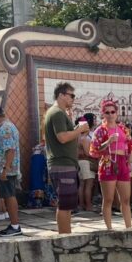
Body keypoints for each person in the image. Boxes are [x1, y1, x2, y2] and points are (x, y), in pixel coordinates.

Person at [44, 82, 88, 234]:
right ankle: (64, 239)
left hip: (64, 164)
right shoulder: (57, 113)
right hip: (62, 164)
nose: (73, 99)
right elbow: (62, 137)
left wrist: (76, 130)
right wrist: (80, 129)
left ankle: (65, 236)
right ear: (61, 95)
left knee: (67, 205)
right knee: (65, 206)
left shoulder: (58, 113)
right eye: (71, 95)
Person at [90, 99, 132, 230]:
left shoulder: (122, 128)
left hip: (123, 162)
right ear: (103, 114)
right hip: (108, 162)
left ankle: (129, 227)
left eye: (112, 112)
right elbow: (94, 150)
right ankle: (109, 229)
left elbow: (131, 144)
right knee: (109, 199)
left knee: (126, 199)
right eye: (107, 112)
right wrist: (108, 141)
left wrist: (130, 158)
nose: (110, 114)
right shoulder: (100, 130)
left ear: (116, 113)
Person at [0, 104, 22, 237]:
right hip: (6, 169)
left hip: (6, 170)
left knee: (9, 196)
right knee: (8, 196)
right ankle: (14, 224)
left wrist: (5, 170)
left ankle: (15, 226)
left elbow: (10, 150)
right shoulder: (8, 126)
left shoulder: (4, 129)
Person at [77, 114, 97, 212]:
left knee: (82, 184)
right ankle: (88, 205)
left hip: (80, 162)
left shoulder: (78, 137)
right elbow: (87, 153)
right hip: (86, 162)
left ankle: (81, 204)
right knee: (89, 184)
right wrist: (95, 156)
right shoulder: (84, 138)